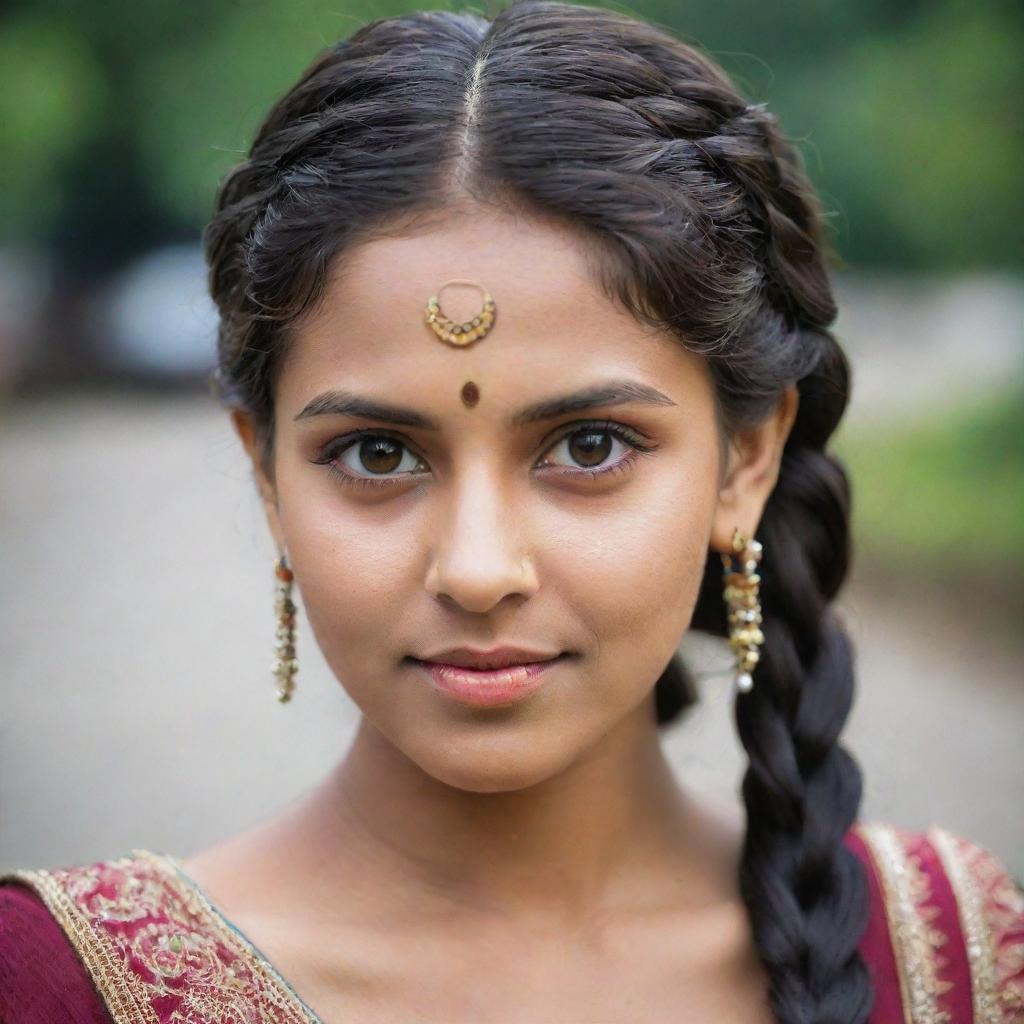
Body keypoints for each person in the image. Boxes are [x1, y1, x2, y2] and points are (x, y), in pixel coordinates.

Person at [2, 2, 1021, 1021]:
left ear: (743, 460)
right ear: (267, 476)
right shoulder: (57, 987)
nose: (479, 569)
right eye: (377, 454)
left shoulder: (949, 958)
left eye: (588, 447)